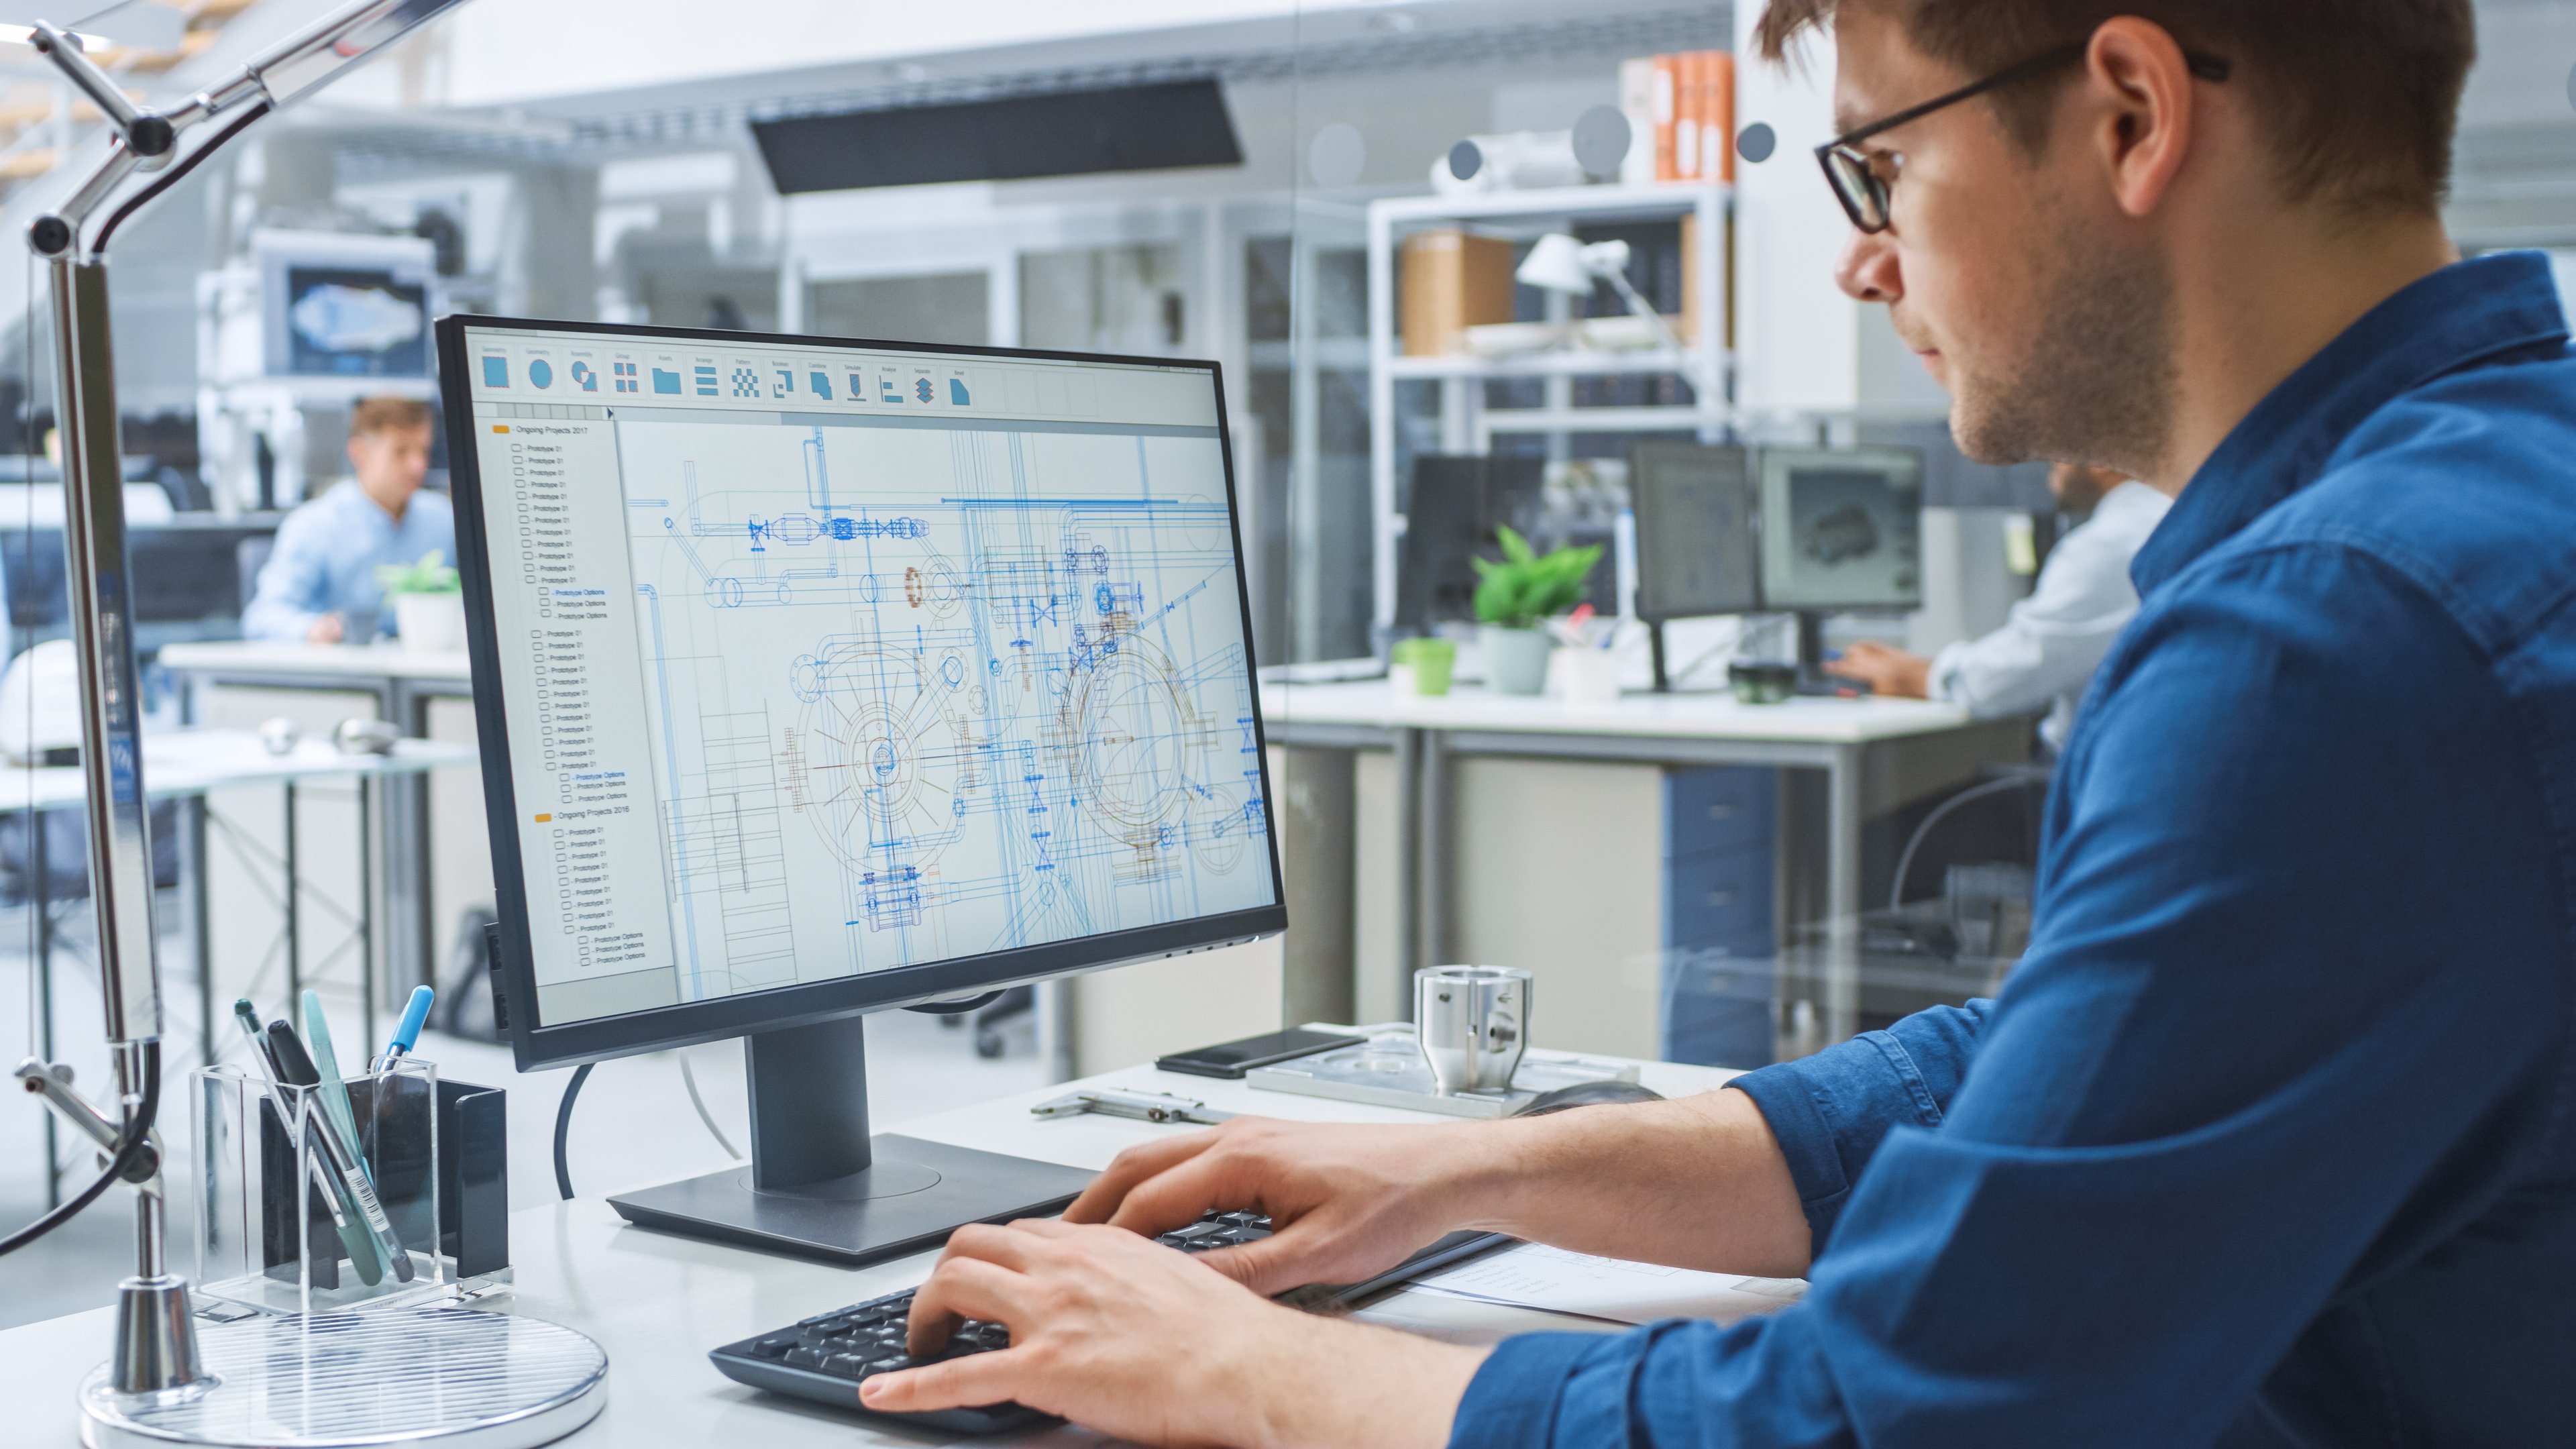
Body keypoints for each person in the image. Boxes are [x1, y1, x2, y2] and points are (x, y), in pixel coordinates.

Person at [861, 2, 2576, 1444]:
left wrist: (1256, 1364)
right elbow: (2046, 1072)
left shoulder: (2333, 642)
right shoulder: (2496, 499)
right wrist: (1465, 1172)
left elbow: (1903, 1413)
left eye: (1883, 164)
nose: (1859, 256)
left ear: (2128, 113)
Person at [1825, 462, 2169, 749]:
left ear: (2099, 460)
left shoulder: (2107, 543)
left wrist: (1918, 676)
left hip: (2099, 778)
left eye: (2061, 451)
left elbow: (2013, 674)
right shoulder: (2166, 517)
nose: (2049, 462)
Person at [241, 395, 451, 644]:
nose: (418, 465)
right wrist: (313, 629)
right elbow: (263, 617)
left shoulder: (444, 520)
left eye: (423, 451)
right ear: (360, 452)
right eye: (400, 452)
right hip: (346, 677)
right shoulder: (315, 525)